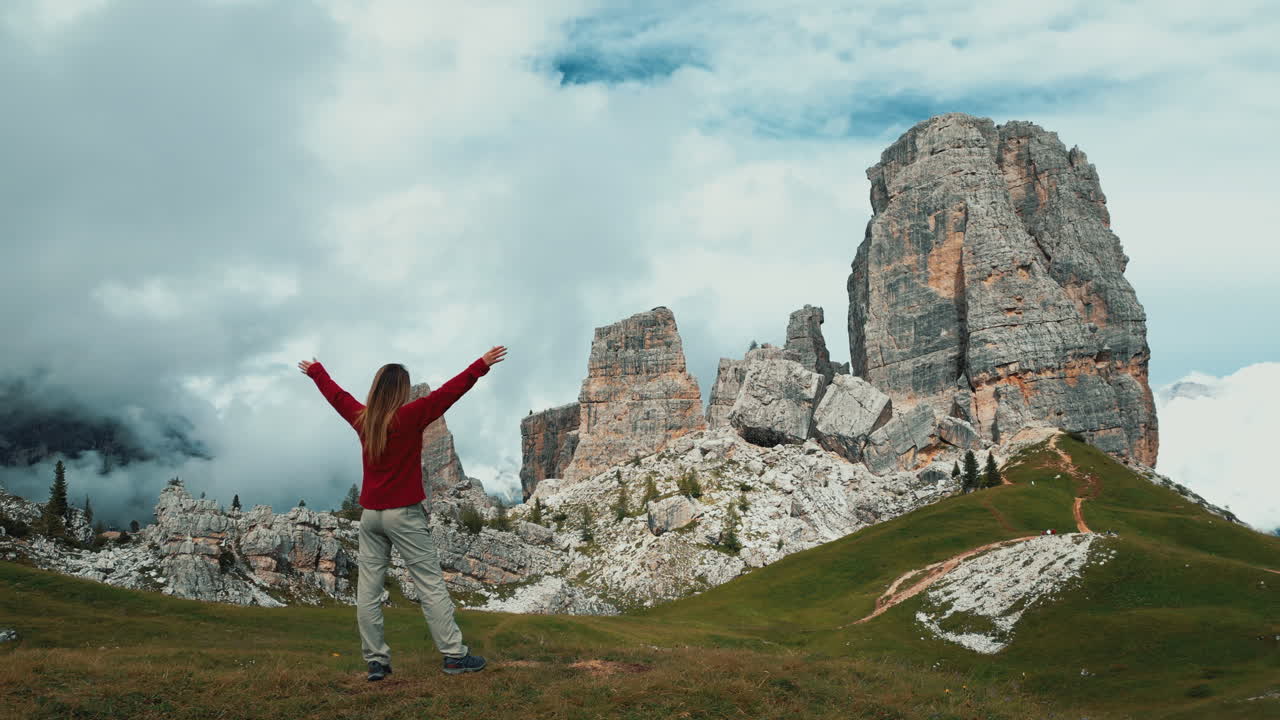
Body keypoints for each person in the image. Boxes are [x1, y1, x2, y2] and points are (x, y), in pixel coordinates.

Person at [299, 346, 508, 681]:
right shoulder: (411, 416)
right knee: (430, 585)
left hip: (370, 517)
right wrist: (480, 366)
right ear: (402, 392)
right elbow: (448, 393)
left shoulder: (362, 418)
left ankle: (377, 662)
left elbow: (337, 396)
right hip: (404, 516)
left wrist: (316, 372)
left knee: (367, 591)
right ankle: (454, 656)